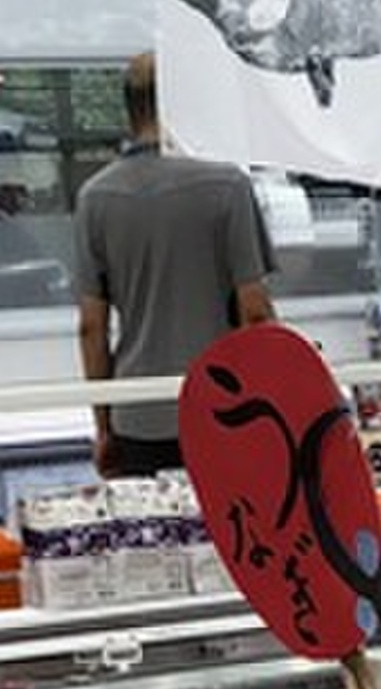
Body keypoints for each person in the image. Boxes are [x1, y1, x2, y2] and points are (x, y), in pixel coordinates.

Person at [73, 53, 275, 477]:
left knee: (155, 521)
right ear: (182, 104)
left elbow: (91, 327)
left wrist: (104, 428)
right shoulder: (227, 186)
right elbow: (255, 312)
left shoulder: (95, 197)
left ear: (130, 111)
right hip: (223, 409)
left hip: (137, 415)